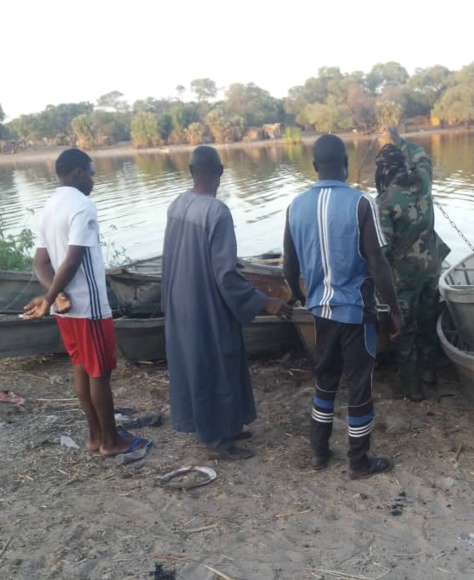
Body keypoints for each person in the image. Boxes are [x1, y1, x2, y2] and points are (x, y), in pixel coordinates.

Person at [282, 134, 404, 480]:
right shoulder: (361, 204)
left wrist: (299, 295)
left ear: (315, 166)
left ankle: (319, 452)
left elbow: (289, 266)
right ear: (346, 164)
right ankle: (358, 461)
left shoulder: (295, 207)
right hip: (356, 312)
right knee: (360, 384)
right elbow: (377, 263)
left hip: (321, 311)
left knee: (325, 381)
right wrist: (394, 309)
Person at [162, 145, 291, 461]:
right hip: (206, 303)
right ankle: (217, 440)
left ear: (192, 171)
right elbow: (225, 274)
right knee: (215, 366)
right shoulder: (216, 212)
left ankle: (227, 425)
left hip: (180, 297)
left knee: (198, 365)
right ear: (219, 171)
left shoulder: (177, 204)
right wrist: (265, 302)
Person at [24, 148, 151, 460]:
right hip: (89, 307)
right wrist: (53, 295)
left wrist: (53, 296)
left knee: (81, 367)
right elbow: (74, 259)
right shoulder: (83, 206)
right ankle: (111, 441)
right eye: (92, 173)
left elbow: (41, 263)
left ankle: (95, 436)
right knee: (100, 373)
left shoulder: (49, 206)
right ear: (78, 172)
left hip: (66, 309)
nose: (94, 180)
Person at [374, 126, 449, 401]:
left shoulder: (384, 203)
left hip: (404, 277)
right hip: (432, 268)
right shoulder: (424, 185)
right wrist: (401, 140)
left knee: (405, 331)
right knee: (428, 320)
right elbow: (422, 157)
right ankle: (431, 373)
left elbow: (381, 249)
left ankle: (413, 388)